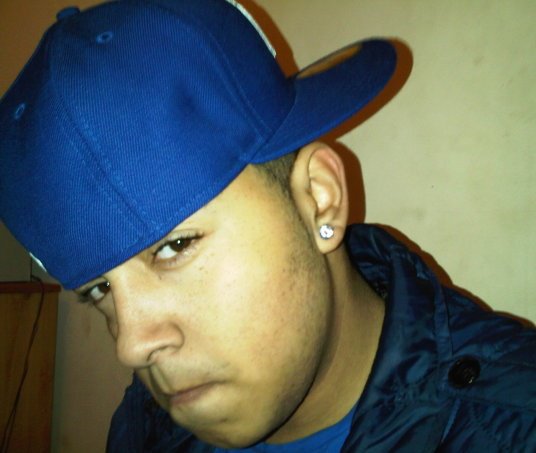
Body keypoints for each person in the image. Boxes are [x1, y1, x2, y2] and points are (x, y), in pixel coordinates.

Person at [0, 0, 535, 451]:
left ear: (319, 200)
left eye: (175, 247)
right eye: (99, 289)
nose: (133, 346)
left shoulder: (513, 426)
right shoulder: (145, 425)